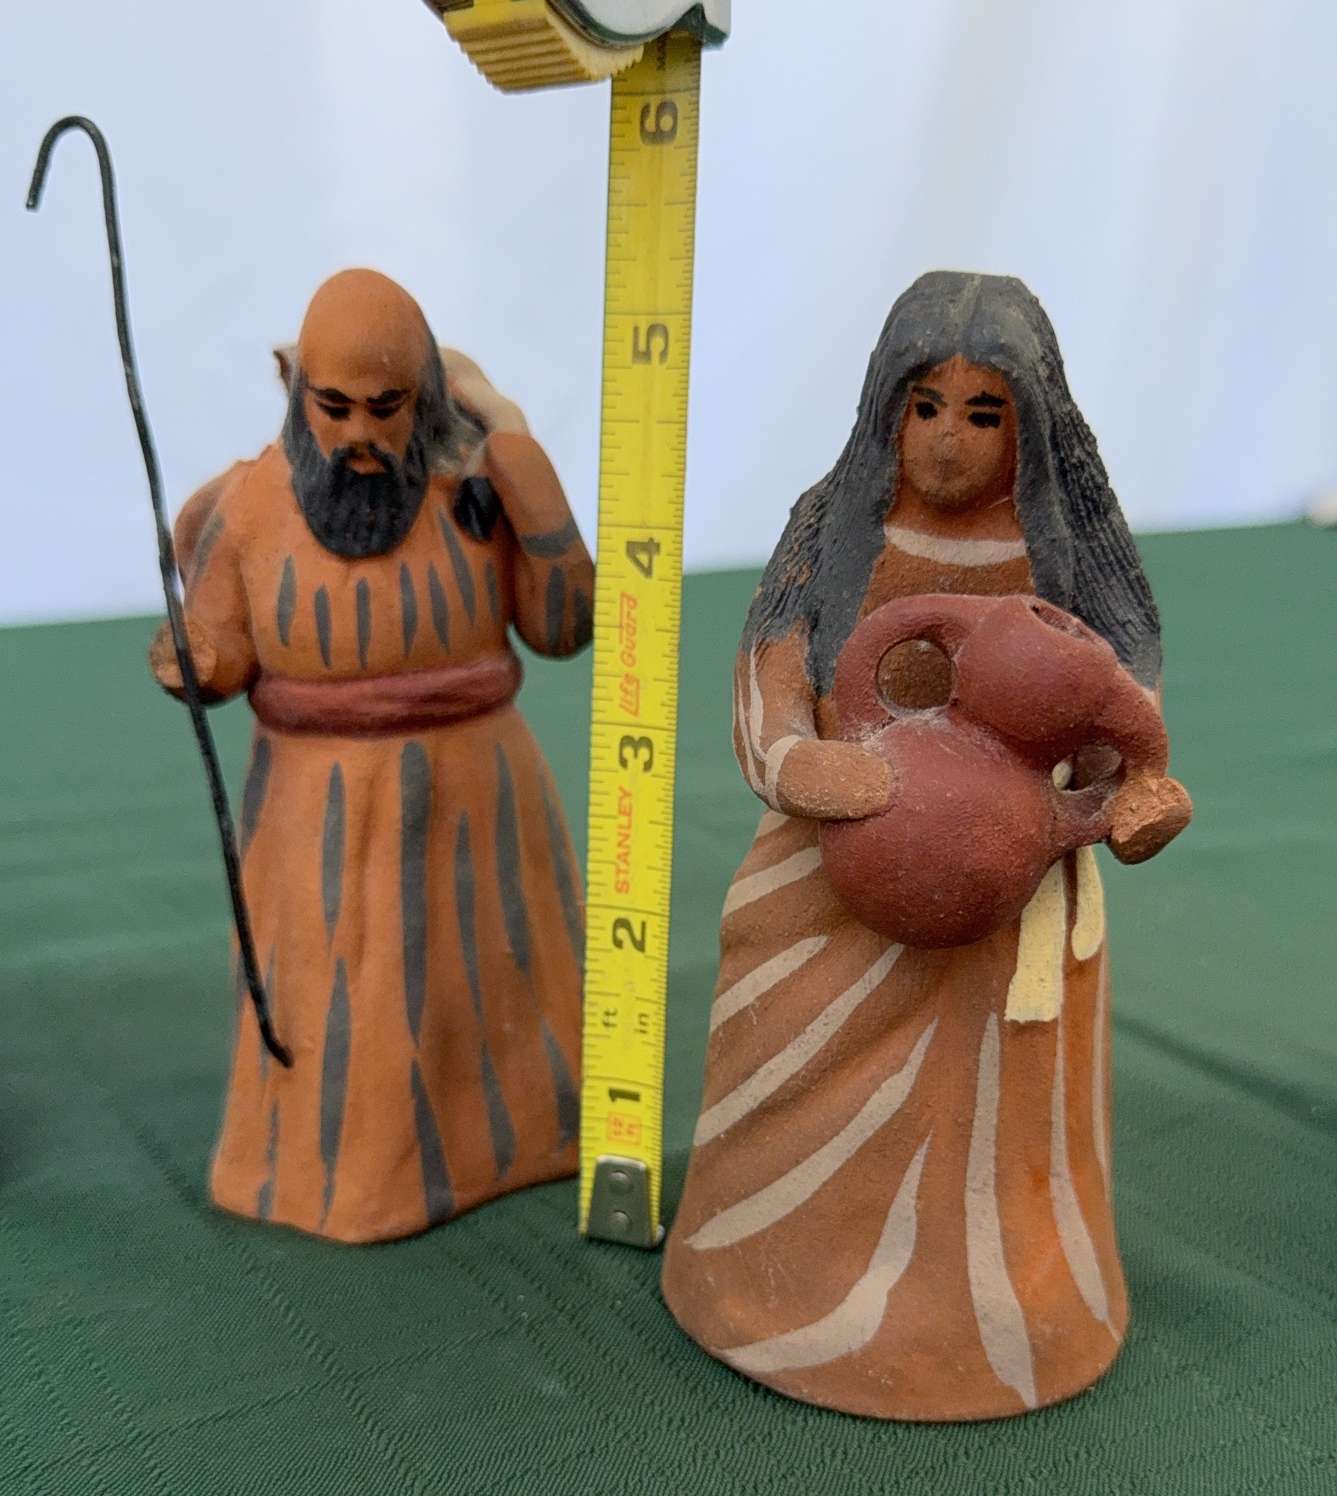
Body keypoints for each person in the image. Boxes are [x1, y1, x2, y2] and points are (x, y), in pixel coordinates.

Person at [662, 271, 1190, 1419]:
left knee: (995, 1118)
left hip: (1013, 883)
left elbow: (1124, 700)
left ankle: (995, 1315)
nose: (948, 439)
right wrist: (799, 762)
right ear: (884, 406)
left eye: (983, 411)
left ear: (1033, 423)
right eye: (926, 406)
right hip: (830, 869)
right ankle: (763, 1281)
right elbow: (769, 668)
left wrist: (1132, 791)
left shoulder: (1063, 550)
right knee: (784, 1058)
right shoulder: (832, 525)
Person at [151, 268, 591, 1243]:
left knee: (486, 993)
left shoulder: (475, 493)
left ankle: (524, 1139)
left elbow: (563, 626)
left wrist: (519, 458)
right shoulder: (247, 506)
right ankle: (347, 1179)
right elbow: (218, 649)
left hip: (482, 803)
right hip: (319, 818)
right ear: (299, 394)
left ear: (425, 399)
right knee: (352, 1013)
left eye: (386, 409)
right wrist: (192, 660)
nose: (358, 433)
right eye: (334, 406)